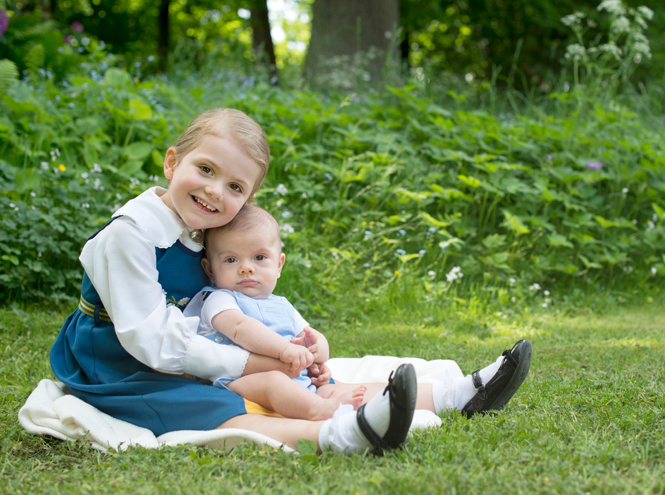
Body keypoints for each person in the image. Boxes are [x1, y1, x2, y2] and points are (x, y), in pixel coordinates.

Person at [49, 107, 532, 456]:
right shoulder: (130, 234)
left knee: (317, 379)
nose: (216, 191)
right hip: (118, 355)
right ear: (172, 162)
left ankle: (460, 394)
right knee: (220, 403)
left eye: (235, 187)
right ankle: (340, 436)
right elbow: (150, 341)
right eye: (205, 170)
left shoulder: (206, 223)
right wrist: (254, 359)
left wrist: (276, 354)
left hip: (191, 344)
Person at [185, 204, 366, 421]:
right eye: (231, 260)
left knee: (328, 388)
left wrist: (314, 353)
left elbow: (310, 335)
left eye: (259, 257)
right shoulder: (219, 299)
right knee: (273, 382)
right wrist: (284, 350)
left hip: (295, 380)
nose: (246, 268)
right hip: (240, 382)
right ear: (210, 270)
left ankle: (358, 408)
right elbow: (239, 328)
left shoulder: (282, 306)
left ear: (279, 265)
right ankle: (317, 410)